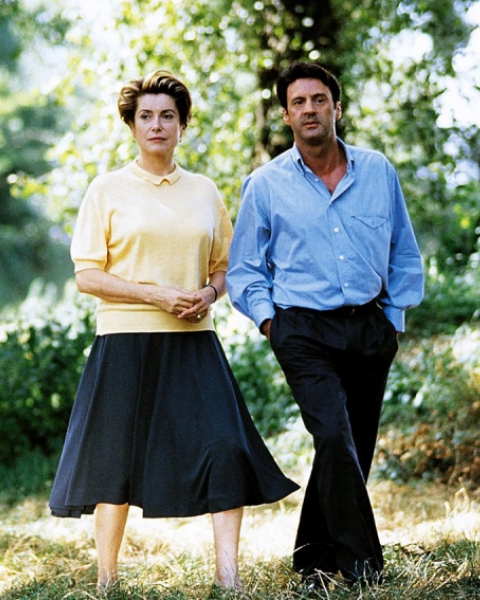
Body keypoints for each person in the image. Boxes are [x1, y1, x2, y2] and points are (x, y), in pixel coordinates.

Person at [49, 70, 298, 592]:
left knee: (227, 451)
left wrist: (208, 295)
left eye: (167, 116)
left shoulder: (205, 191)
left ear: (183, 124)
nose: (156, 125)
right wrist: (156, 294)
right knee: (113, 466)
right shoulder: (107, 189)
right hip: (123, 343)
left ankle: (229, 581)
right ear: (131, 126)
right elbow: (87, 275)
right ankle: (107, 582)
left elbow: (227, 265)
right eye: (146, 116)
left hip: (194, 342)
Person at [227, 62, 424, 587]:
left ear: (337, 108)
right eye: (298, 103)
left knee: (349, 448)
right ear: (287, 115)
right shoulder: (265, 184)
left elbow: (403, 248)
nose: (309, 109)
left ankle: (311, 562)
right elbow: (244, 268)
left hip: (369, 327)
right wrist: (272, 324)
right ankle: (363, 569)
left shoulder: (378, 170)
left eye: (319, 100)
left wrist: (394, 319)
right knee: (334, 436)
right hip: (303, 331)